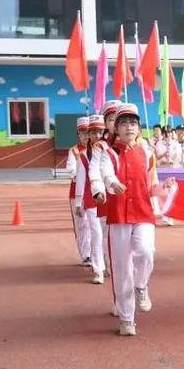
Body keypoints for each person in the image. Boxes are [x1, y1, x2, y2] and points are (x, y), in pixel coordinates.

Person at [91, 103, 174, 336]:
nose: (129, 127)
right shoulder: (107, 151)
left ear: (139, 127)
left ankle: (142, 285)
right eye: (124, 123)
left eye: (134, 123)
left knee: (146, 251)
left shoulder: (147, 151)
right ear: (116, 128)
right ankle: (127, 319)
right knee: (120, 268)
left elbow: (152, 185)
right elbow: (105, 172)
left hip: (143, 212)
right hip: (118, 215)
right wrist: (109, 184)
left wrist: (163, 188)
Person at [75, 115, 107, 284]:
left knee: (107, 234)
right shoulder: (83, 156)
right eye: (93, 132)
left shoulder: (110, 152)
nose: (96, 136)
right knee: (96, 234)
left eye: (100, 132)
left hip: (109, 199)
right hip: (91, 199)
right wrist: (78, 203)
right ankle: (98, 270)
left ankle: (107, 262)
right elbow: (80, 180)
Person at [66, 118, 91, 267]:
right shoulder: (74, 151)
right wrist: (83, 176)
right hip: (76, 193)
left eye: (89, 132)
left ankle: (96, 253)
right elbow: (71, 170)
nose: (86, 135)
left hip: (93, 192)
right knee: (81, 224)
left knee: (94, 224)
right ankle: (86, 255)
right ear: (78, 134)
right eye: (83, 132)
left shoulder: (98, 149)